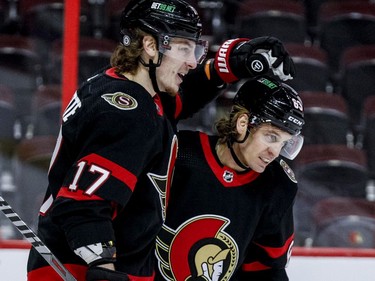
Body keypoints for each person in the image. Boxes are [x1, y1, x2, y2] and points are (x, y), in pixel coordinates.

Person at [26, 0, 296, 280]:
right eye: (183, 48)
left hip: (113, 265)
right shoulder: (127, 112)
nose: (192, 61)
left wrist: (231, 63)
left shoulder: (127, 92)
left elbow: (181, 99)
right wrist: (103, 266)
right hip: (81, 269)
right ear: (151, 46)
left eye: (195, 49)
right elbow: (84, 200)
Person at [155, 75, 305, 281]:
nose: (275, 152)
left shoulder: (277, 184)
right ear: (243, 123)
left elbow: (266, 269)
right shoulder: (181, 153)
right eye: (271, 137)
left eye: (284, 143)